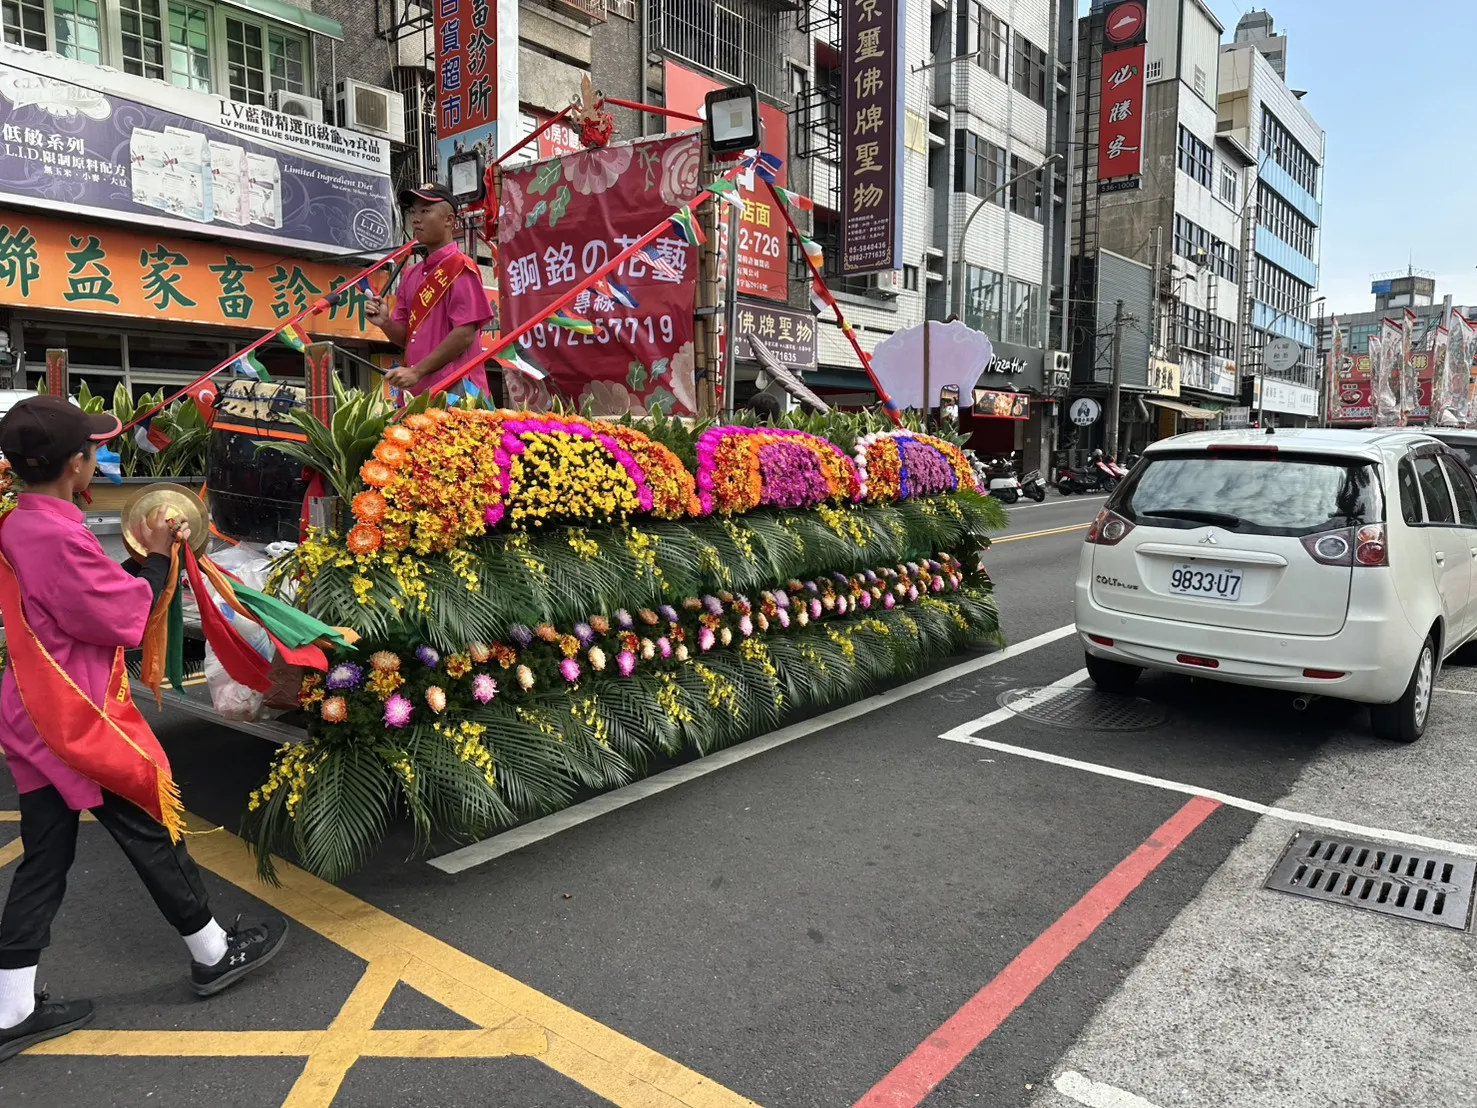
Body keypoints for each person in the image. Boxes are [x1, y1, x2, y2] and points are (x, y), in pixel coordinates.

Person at [0, 396, 287, 1063]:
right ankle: (212, 952)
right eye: (93, 450)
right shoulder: (55, 533)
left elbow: (82, 598)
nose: (97, 457)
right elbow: (117, 617)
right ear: (75, 463)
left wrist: (143, 566)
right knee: (149, 830)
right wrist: (158, 559)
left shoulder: (17, 520)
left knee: (45, 856)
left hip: (34, 708)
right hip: (74, 716)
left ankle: (12, 1006)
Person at [366, 183, 494, 399]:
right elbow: (406, 337)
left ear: (449, 220)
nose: (416, 219)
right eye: (413, 212)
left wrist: (416, 371)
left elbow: (464, 334)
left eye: (425, 211)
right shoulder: (412, 274)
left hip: (457, 390)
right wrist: (386, 323)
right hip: (420, 391)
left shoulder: (461, 267)